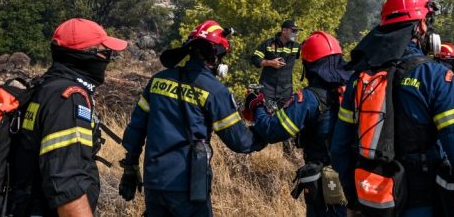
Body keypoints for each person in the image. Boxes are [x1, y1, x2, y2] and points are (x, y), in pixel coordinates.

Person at [331, 0, 454, 217]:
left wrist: (354, 199)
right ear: (420, 25)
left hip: (374, 202)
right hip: (423, 202)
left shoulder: (360, 78)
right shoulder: (434, 76)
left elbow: (340, 148)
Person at [119, 20, 266, 216]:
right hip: (188, 186)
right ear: (214, 57)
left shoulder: (158, 80)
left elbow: (136, 129)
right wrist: (265, 126)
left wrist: (130, 168)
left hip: (154, 183)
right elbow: (241, 142)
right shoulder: (215, 91)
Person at [7, 18, 128, 217]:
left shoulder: (45, 86)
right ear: (84, 56)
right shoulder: (68, 99)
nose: (108, 59)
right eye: (105, 52)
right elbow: (66, 184)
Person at [246, 31, 352, 217]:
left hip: (325, 185)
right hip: (352, 179)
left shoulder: (310, 98)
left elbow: (272, 131)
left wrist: (257, 106)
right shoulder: (352, 88)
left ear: (309, 65)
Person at [251, 19, 302, 107]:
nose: (296, 34)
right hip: (267, 89)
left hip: (286, 91)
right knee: (265, 116)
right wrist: (270, 62)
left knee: (284, 119)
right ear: (284, 30)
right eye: (294, 31)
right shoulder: (268, 44)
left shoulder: (296, 46)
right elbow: (255, 59)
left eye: (297, 31)